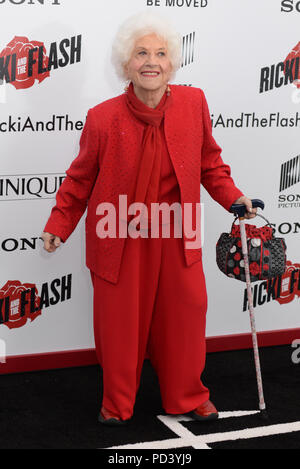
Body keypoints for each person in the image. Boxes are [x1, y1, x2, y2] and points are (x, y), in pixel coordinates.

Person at [42, 11, 256, 426]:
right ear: (127, 63)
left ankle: (188, 395)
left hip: (177, 231)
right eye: (141, 53)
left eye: (160, 53)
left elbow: (210, 164)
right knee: (120, 326)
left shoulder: (194, 104)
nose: (151, 62)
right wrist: (58, 223)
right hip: (118, 234)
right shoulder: (102, 117)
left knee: (185, 316)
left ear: (172, 63)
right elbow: (80, 179)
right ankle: (116, 404)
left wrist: (235, 198)